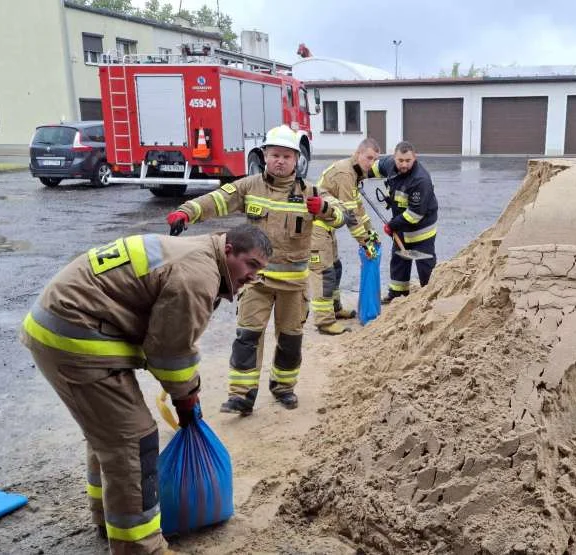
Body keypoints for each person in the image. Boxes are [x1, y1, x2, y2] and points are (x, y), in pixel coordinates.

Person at [20, 224, 270, 554]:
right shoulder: (198, 275)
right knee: (133, 441)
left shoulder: (197, 253)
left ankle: (107, 519)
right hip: (75, 337)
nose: (253, 276)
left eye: (260, 270)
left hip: (63, 326)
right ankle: (142, 547)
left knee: (108, 434)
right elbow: (169, 355)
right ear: (228, 250)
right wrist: (187, 398)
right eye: (251, 264)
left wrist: (183, 390)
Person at [165, 126, 345, 416]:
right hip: (256, 282)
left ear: (296, 159)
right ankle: (241, 395)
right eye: (274, 155)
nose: (280, 161)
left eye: (287, 156)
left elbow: (340, 215)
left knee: (290, 340)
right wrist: (187, 211)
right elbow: (216, 200)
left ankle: (283, 388)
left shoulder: (311, 192)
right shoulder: (248, 186)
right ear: (264, 156)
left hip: (293, 286)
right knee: (247, 336)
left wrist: (323, 208)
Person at [310, 138, 382, 335]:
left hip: (328, 225)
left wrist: (371, 232)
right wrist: (365, 242)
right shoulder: (345, 173)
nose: (371, 163)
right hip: (315, 225)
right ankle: (324, 322)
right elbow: (350, 216)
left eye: (375, 160)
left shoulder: (356, 173)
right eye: (368, 158)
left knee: (335, 268)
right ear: (358, 154)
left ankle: (335, 308)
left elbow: (358, 208)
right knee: (324, 272)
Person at [367, 141, 438, 303]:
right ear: (394, 157)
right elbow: (371, 168)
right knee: (399, 261)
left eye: (408, 161)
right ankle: (398, 296)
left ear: (415, 158)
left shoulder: (421, 180)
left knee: (425, 265)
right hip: (401, 227)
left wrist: (392, 225)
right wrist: (357, 175)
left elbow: (415, 214)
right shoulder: (389, 165)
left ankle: (430, 297)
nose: (404, 164)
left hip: (422, 231)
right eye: (400, 161)